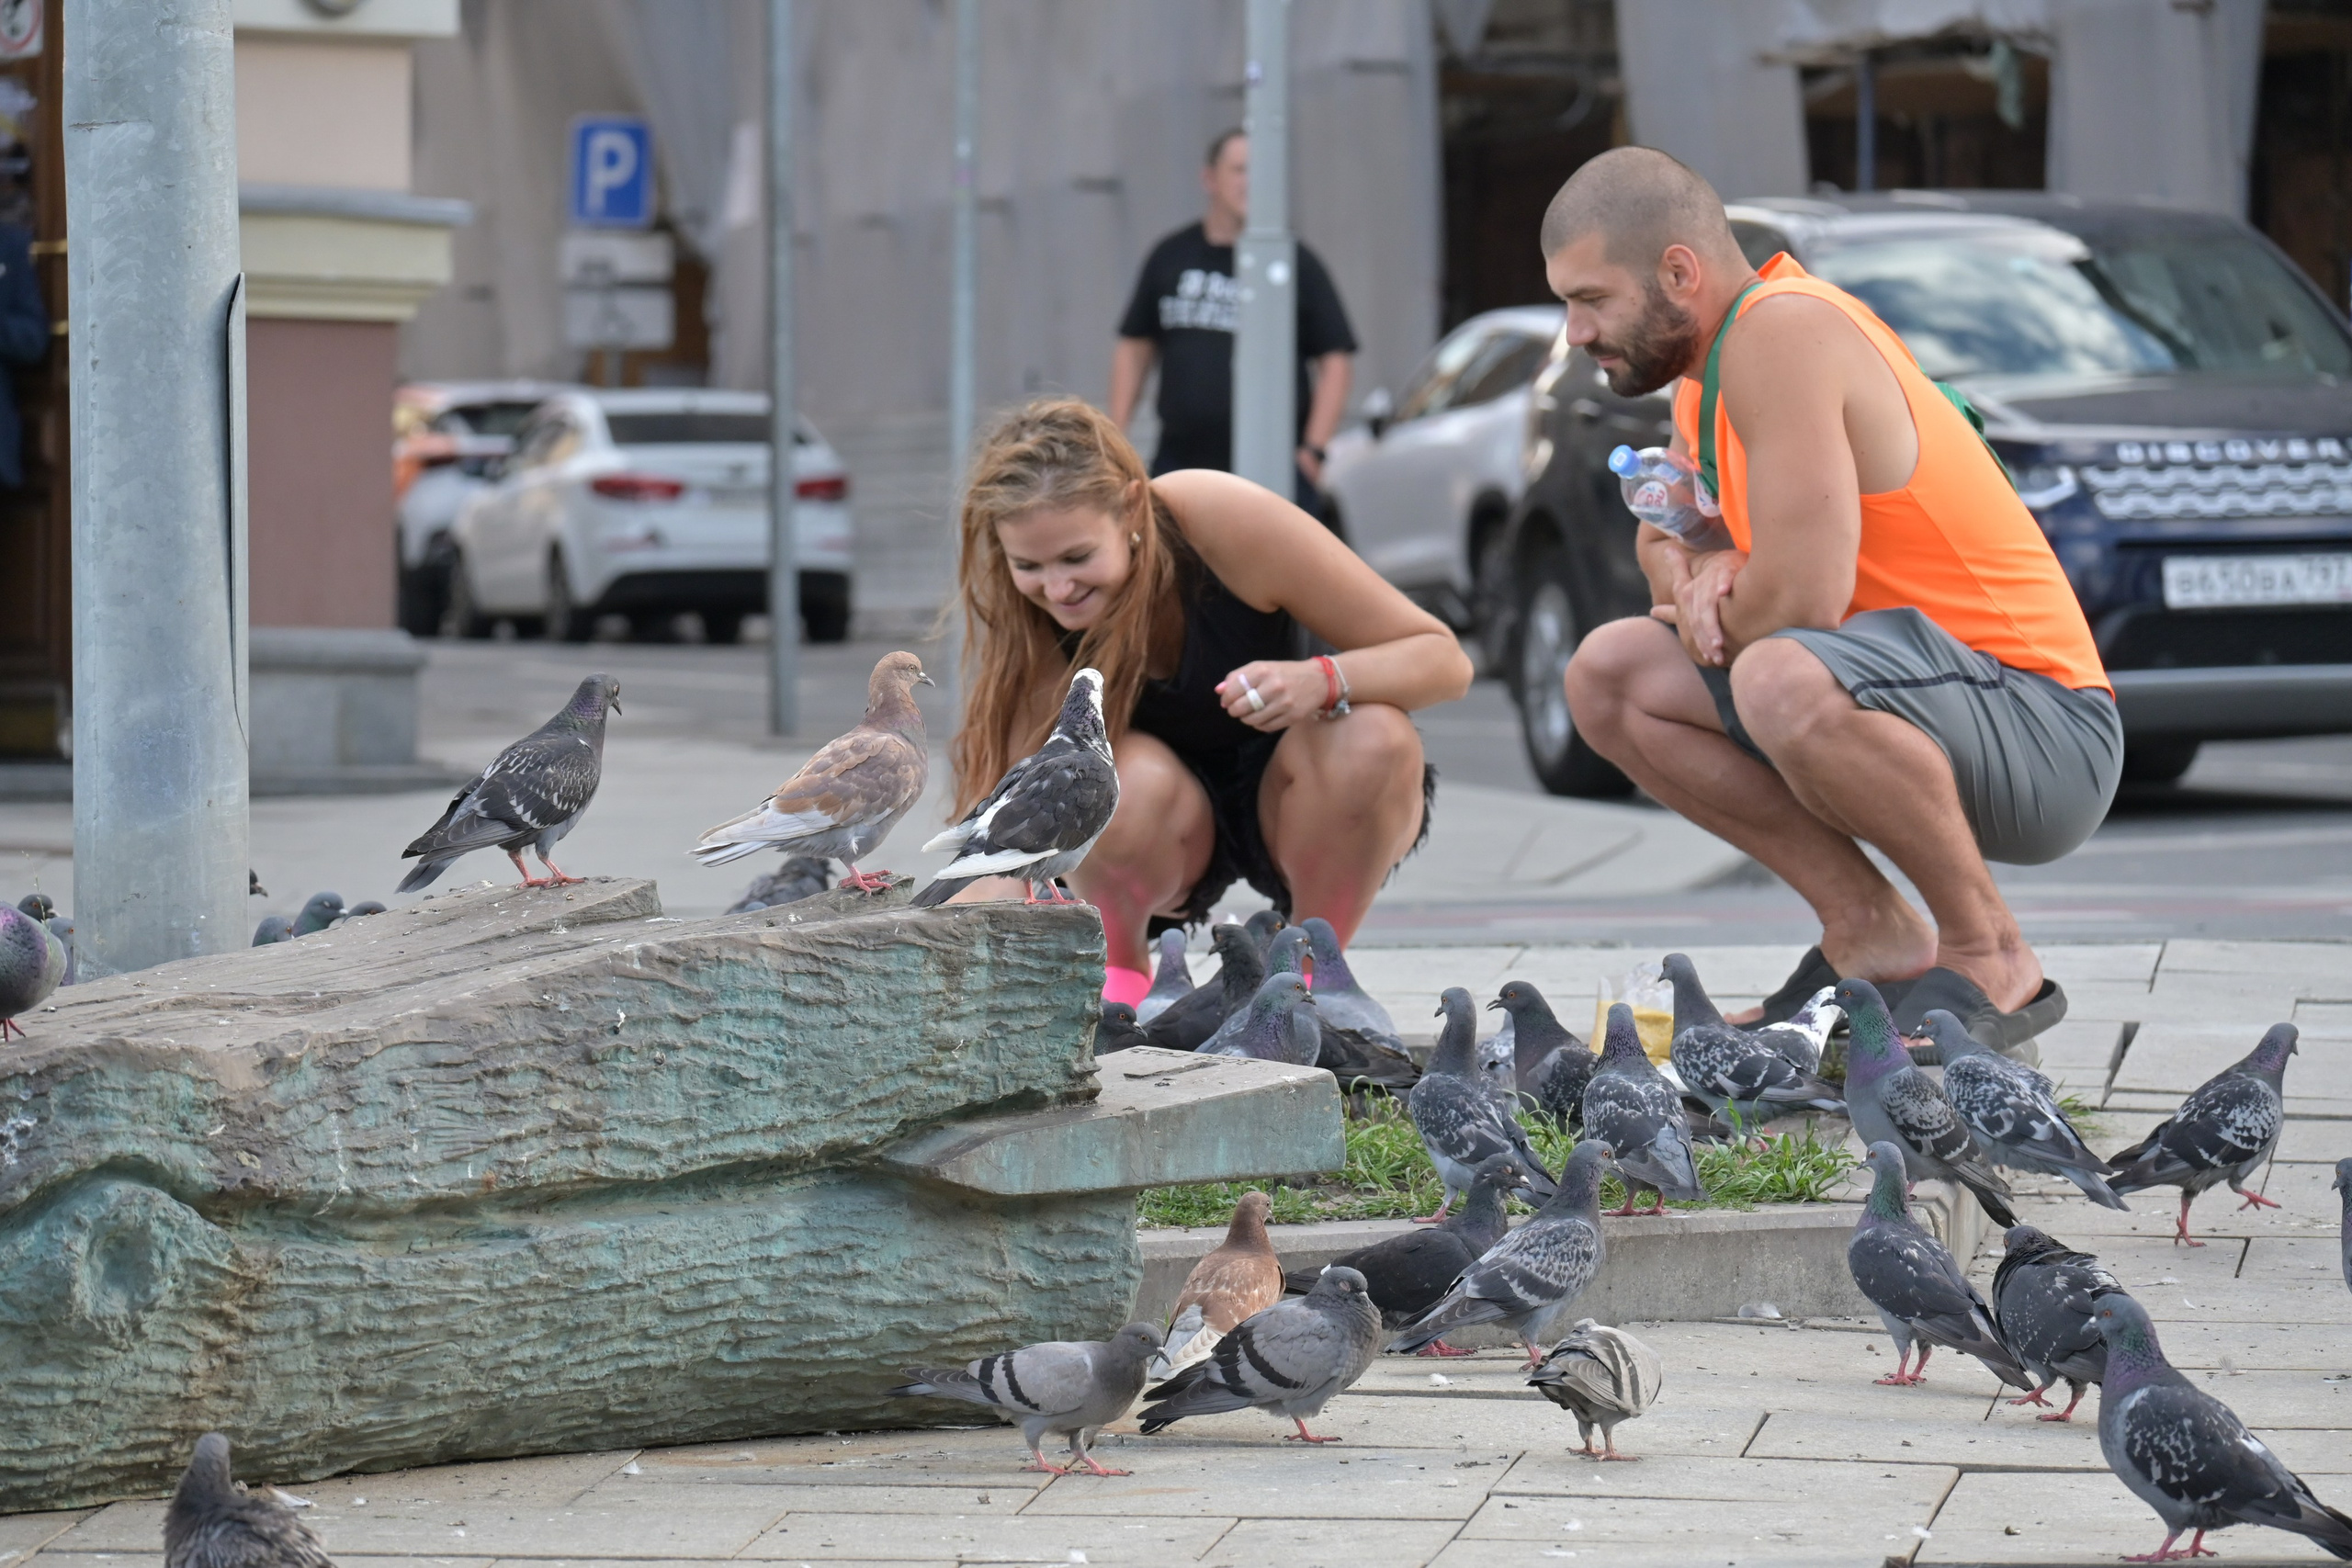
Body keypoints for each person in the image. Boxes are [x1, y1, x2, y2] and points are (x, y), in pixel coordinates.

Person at [1545, 147, 2121, 1046]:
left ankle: (1989, 951)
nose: (1574, 333)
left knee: (1778, 672)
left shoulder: (1784, 329)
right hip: (1912, 700)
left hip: (2045, 730)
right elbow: (1661, 531)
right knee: (1607, 673)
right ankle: (1871, 933)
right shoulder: (1702, 374)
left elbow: (1803, 602)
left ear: (1678, 271)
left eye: (1589, 299)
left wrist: (1714, 603)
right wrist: (1692, 577)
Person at [945, 396, 1472, 1002]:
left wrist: (1320, 679)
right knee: (1077, 781)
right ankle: (1120, 974)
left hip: (1306, 795)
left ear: (1132, 505)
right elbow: (1014, 838)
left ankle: (1309, 975)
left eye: (1078, 556)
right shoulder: (1027, 621)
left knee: (1374, 737)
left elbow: (1445, 662)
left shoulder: (1217, 517)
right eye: (1029, 565)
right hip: (1161, 826)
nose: (1058, 587)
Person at [1109, 128, 1356, 508]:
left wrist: (1313, 452)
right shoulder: (1172, 256)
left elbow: (1336, 360)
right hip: (1182, 467)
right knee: (1170, 566)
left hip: (1273, 470)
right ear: (1209, 178)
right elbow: (1135, 347)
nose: (1252, 182)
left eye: (1262, 171)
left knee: (1273, 570)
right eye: (1240, 170)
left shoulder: (1292, 263)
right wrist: (1115, 440)